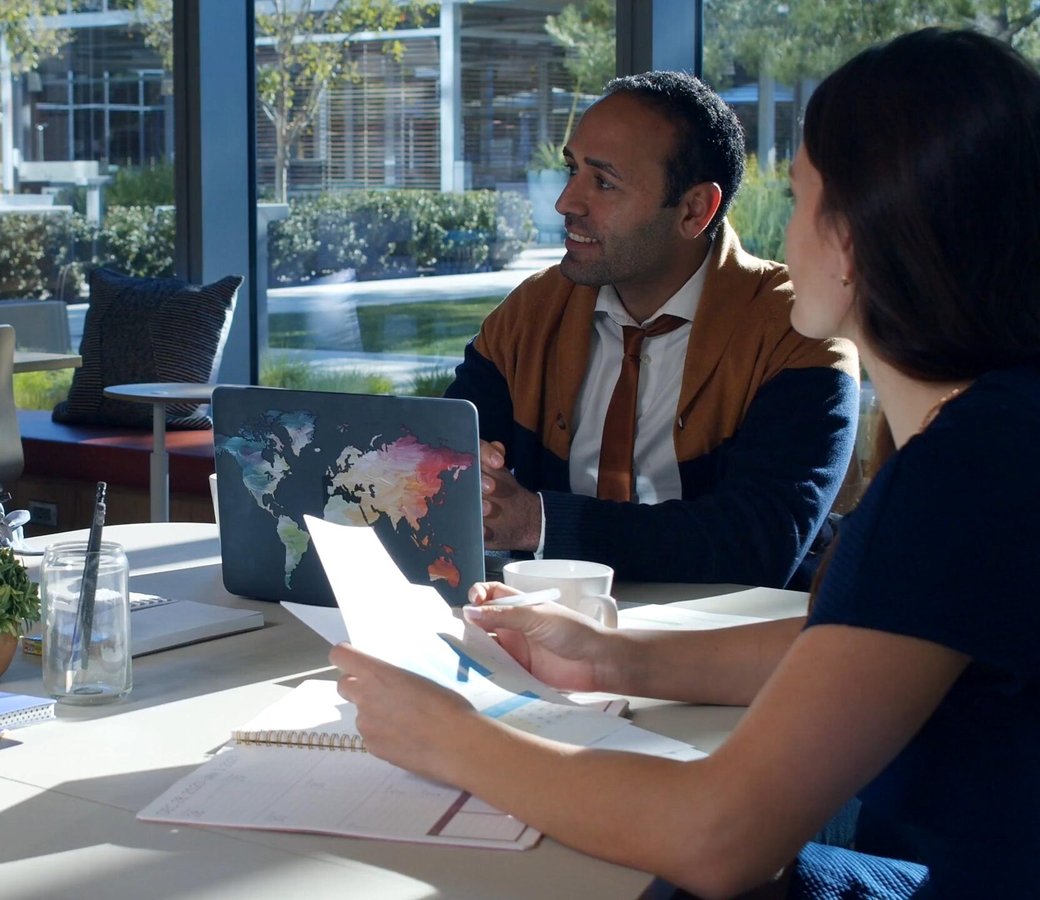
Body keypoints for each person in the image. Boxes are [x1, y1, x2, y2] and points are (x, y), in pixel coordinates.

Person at [334, 28, 1040, 898]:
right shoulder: (998, 437)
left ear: (859, 238)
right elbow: (857, 648)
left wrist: (448, 736)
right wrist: (608, 656)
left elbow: (717, 836)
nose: (781, 231)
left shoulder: (961, 478)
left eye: (800, 196)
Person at [447, 71, 858, 588]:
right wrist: (466, 476)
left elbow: (761, 541)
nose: (566, 202)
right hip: (543, 619)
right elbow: (440, 458)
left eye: (603, 182)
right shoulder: (531, 313)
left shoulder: (798, 332)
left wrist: (540, 522)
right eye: (572, 169)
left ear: (694, 210)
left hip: (737, 630)